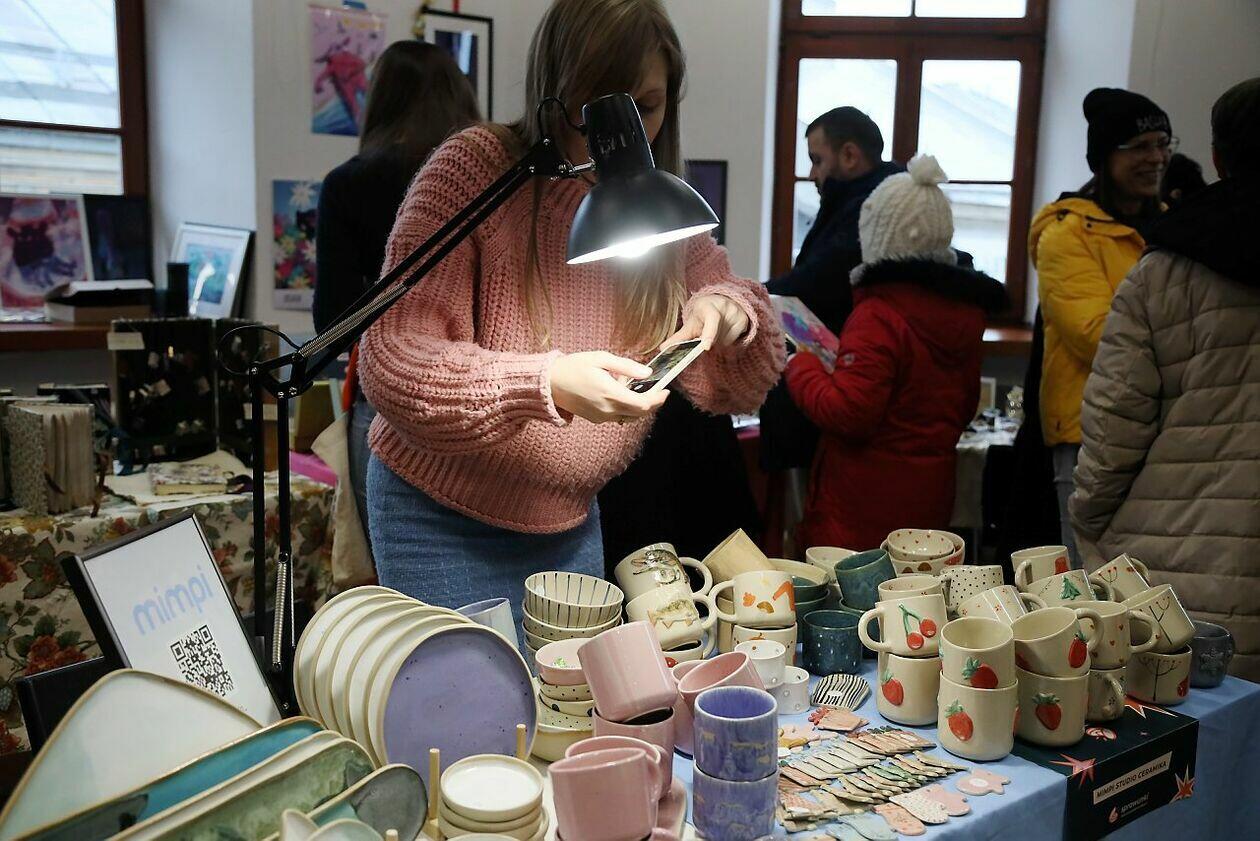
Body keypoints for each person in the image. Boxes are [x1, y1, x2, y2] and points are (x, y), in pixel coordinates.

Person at [357, 0, 784, 620]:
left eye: (647, 107)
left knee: (571, 686)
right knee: (472, 684)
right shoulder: (477, 171)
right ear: (556, 93)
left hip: (568, 521)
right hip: (437, 517)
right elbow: (394, 359)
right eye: (597, 108)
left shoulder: (651, 206)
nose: (623, 133)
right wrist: (546, 382)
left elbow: (743, 380)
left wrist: (730, 308)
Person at [1072, 77, 1260, 681]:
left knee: (1195, 727)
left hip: (1187, 553)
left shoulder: (1165, 271)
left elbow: (1115, 425)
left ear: (1218, 157)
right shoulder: (1083, 232)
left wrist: (1090, 525)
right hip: (1199, 543)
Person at [785, 156, 1007, 551]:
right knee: (916, 587)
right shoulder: (965, 314)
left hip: (864, 506)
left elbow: (848, 413)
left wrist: (800, 365)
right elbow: (962, 406)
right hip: (930, 498)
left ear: (876, 237)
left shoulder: (880, 313)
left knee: (855, 592)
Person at [314, 42, 480, 544]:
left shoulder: (349, 184)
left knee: (394, 575)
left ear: (380, 101)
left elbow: (332, 320)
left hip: (386, 403)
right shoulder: (488, 182)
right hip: (476, 396)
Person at [1028, 87, 1171, 567]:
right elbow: (1098, 337)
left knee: (1155, 582)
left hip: (1162, 429)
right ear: (1106, 157)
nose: (1156, 158)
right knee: (1092, 579)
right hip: (1088, 432)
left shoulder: (1173, 228)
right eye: (1140, 147)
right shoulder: (1066, 234)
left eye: (1162, 144)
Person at [759, 108, 904, 524]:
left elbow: (818, 280)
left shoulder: (870, 209)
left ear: (850, 155)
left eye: (817, 160)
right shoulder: (856, 202)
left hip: (833, 388)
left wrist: (752, 294)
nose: (812, 174)